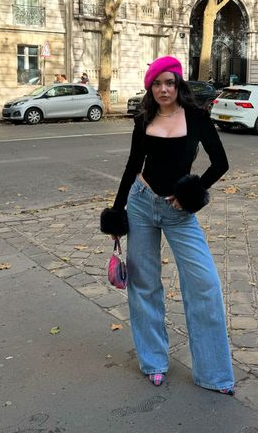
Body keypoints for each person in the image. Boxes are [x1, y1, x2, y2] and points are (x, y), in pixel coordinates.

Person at [100, 56, 234, 395]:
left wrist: (191, 192)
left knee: (204, 283)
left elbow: (221, 163)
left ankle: (214, 374)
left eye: (169, 83)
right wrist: (118, 214)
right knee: (144, 285)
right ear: (150, 87)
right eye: (157, 83)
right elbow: (133, 165)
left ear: (178, 85)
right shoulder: (144, 118)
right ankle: (154, 362)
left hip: (179, 213)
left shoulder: (197, 118)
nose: (164, 89)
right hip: (142, 204)